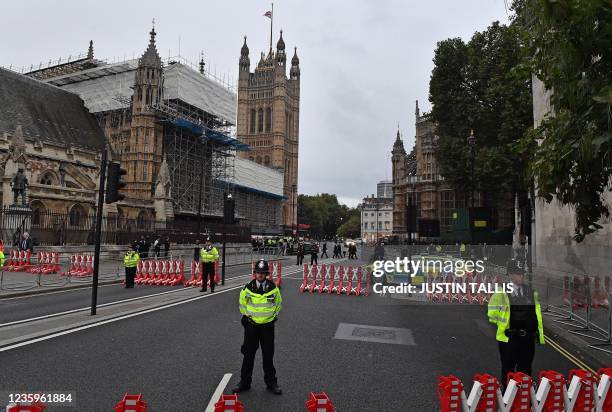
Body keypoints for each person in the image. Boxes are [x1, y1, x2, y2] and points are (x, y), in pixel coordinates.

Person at [488, 259, 544, 388]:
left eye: (523, 273)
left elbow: (536, 314)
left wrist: (538, 334)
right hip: (509, 339)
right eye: (518, 273)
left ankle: (523, 401)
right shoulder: (501, 292)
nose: (521, 276)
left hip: (528, 339)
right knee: (508, 370)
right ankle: (507, 400)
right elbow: (492, 313)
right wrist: (505, 323)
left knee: (525, 370)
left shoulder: (531, 292)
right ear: (510, 274)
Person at [233, 259, 282, 395]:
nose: (260, 275)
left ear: (266, 274)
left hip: (267, 327)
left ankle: (271, 382)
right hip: (252, 327)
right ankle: (245, 382)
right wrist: (248, 318)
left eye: (263, 273)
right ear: (254, 273)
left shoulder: (273, 289)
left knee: (268, 356)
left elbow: (278, 304)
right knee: (248, 356)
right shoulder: (247, 289)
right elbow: (242, 304)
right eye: (258, 272)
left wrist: (271, 318)